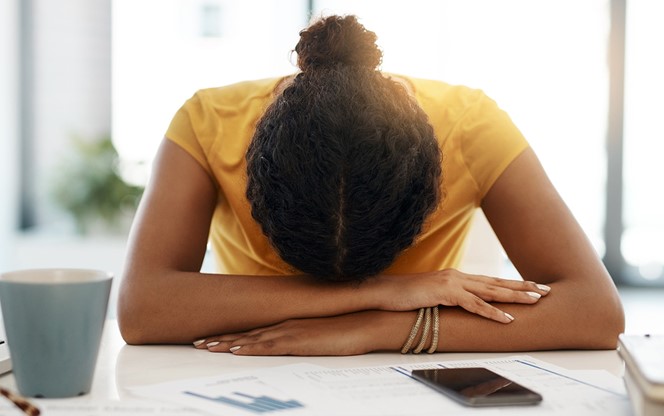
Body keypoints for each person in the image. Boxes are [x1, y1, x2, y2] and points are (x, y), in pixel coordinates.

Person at [118, 14, 624, 355]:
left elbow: (595, 311)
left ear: (432, 180)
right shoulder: (207, 121)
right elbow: (142, 309)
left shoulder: (471, 125)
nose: (347, 290)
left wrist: (373, 328)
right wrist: (389, 290)